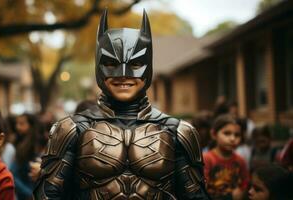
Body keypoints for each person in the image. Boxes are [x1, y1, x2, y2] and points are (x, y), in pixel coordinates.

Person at [33, 10, 210, 200]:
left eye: (135, 64)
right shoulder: (71, 130)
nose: (123, 73)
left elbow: (195, 196)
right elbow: (47, 195)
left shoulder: (177, 131)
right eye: (110, 63)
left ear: (148, 65)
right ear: (98, 67)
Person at [204, 114, 249, 200]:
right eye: (227, 133)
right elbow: (202, 188)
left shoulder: (240, 160)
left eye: (237, 135)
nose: (232, 138)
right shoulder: (207, 158)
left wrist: (242, 191)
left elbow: (245, 183)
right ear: (214, 134)